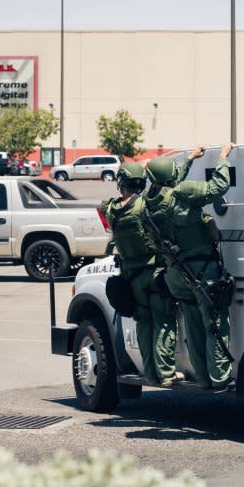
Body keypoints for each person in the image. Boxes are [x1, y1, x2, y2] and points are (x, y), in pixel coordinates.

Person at [144, 144, 235, 390]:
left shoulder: (149, 203)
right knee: (215, 325)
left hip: (177, 274)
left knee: (194, 327)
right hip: (202, 272)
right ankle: (221, 379)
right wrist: (223, 159)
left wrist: (190, 160)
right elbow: (218, 187)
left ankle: (204, 379)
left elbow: (169, 184)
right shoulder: (182, 192)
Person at [102, 162, 180, 387]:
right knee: (164, 322)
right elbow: (166, 192)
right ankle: (166, 372)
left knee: (143, 324)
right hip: (155, 273)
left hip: (131, 278)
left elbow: (105, 203)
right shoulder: (146, 204)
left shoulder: (112, 210)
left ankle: (150, 373)